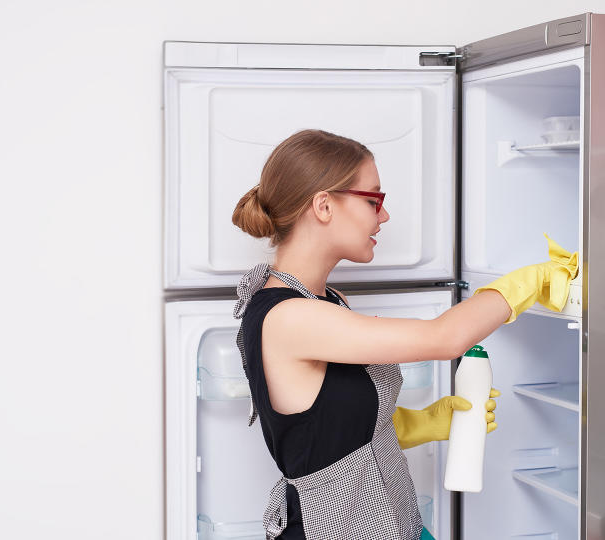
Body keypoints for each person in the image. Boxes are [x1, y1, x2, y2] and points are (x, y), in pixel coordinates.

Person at [230, 129, 578, 540]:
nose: (384, 215)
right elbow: (444, 338)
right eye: (373, 200)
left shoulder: (324, 301)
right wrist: (529, 282)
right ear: (324, 205)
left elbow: (329, 431)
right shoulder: (291, 316)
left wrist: (421, 424)